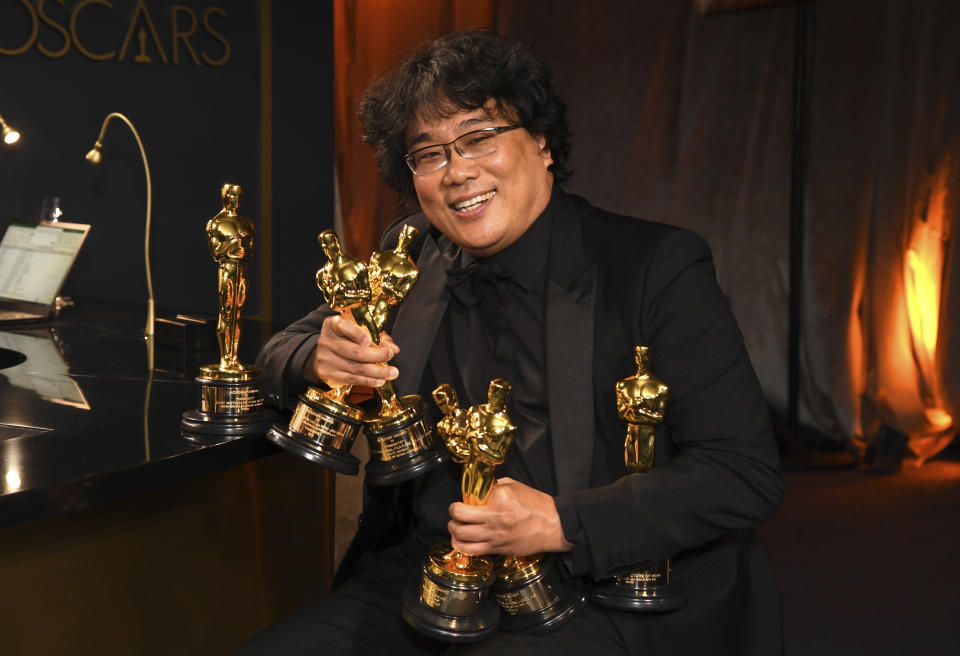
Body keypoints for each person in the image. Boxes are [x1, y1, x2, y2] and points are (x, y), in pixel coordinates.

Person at [244, 28, 784, 655]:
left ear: (542, 140)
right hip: (431, 575)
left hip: (602, 583)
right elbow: (280, 350)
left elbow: (743, 472)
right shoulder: (410, 252)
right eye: (429, 154)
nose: (457, 172)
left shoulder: (655, 266)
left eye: (478, 138)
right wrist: (320, 355)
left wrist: (563, 522)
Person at [206, 183, 253, 372]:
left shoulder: (247, 223)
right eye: (232, 195)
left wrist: (241, 250)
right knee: (227, 314)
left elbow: (249, 251)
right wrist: (232, 243)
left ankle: (234, 357)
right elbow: (216, 253)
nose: (235, 199)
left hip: (242, 270)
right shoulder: (216, 223)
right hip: (227, 270)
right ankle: (225, 358)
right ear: (224, 196)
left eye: (238, 195)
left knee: (238, 314)